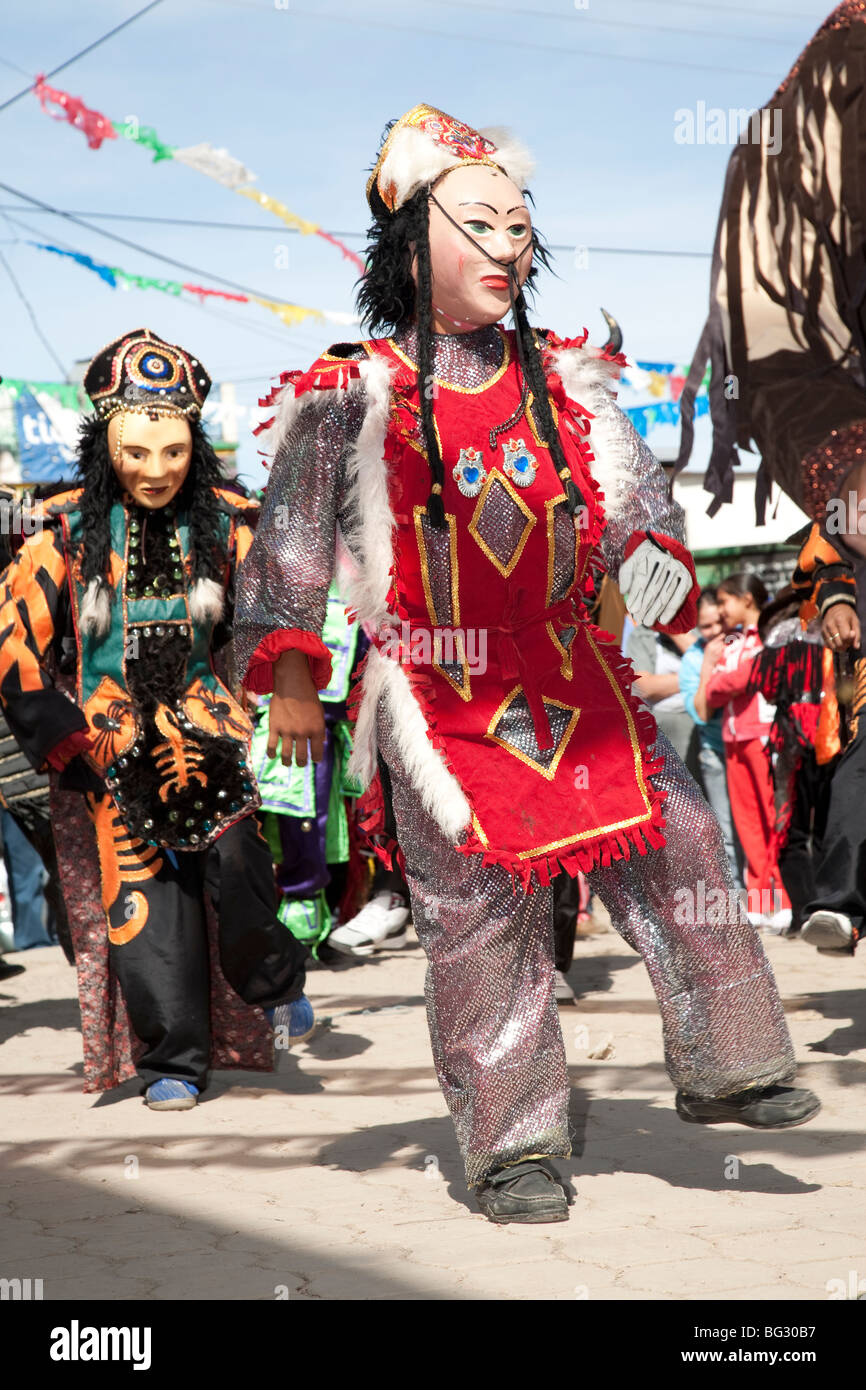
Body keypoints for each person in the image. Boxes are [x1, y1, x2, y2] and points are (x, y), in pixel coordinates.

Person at [235, 106, 819, 1224]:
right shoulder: (348, 394)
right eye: (481, 221)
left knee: (685, 845)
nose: (509, 242)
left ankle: (729, 1062)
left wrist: (649, 562)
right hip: (439, 698)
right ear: (412, 240)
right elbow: (289, 549)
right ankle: (513, 1148)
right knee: (478, 918)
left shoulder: (570, 381)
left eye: (520, 221)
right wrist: (296, 675)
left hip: (576, 675)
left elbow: (636, 507)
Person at [0, 328, 310, 1107]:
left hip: (212, 728)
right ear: (105, 444)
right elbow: (13, 640)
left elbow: (277, 603)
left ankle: (271, 977)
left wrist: (295, 684)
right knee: (146, 899)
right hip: (109, 740)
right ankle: (173, 1060)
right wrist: (60, 733)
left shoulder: (232, 519)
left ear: (193, 444)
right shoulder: (63, 533)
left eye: (172, 452)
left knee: (239, 866)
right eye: (137, 453)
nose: (156, 470)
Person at [704, 573, 791, 930]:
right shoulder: (732, 642)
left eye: (725, 602)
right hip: (732, 738)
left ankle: (783, 900)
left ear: (747, 600)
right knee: (747, 824)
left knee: (773, 820)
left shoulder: (774, 634)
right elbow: (712, 692)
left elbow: (747, 677)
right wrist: (733, 680)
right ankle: (759, 902)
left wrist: (732, 680)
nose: (722, 610)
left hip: (764, 736)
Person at [679, 588, 742, 886]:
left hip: (751, 748)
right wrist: (708, 665)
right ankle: (743, 901)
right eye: (706, 627)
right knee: (728, 832)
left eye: (720, 622)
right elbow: (702, 714)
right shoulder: (692, 659)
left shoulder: (746, 640)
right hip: (717, 752)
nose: (716, 631)